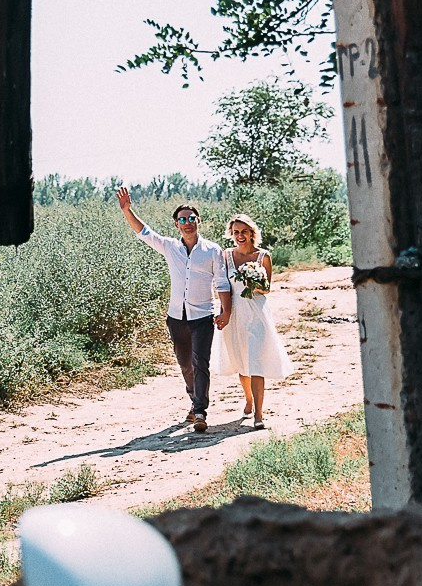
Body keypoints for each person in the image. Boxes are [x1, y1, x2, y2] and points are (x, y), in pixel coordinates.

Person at [116, 185, 230, 433]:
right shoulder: (170, 247)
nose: (188, 223)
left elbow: (222, 282)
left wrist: (226, 311)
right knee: (185, 365)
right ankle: (194, 400)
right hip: (176, 317)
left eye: (191, 218)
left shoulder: (213, 250)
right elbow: (144, 232)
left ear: (198, 221)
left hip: (203, 316)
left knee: (201, 363)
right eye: (182, 220)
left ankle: (200, 411)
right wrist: (127, 210)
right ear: (176, 224)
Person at [212, 212, 293, 428]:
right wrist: (224, 312)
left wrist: (253, 282)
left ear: (251, 233)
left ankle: (259, 414)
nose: (240, 236)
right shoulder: (226, 256)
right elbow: (222, 286)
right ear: (231, 234)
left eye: (244, 232)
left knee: (256, 360)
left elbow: (266, 289)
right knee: (242, 361)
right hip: (236, 314)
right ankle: (248, 399)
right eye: (236, 232)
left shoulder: (263, 256)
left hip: (257, 314)